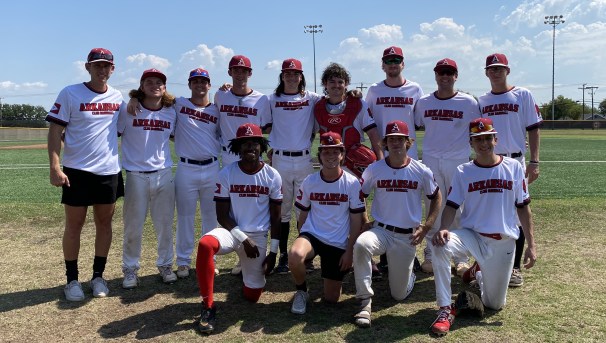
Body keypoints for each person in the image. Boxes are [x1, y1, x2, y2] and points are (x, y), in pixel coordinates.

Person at [429, 118, 537, 336]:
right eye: (478, 139)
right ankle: (444, 309)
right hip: (472, 236)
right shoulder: (463, 171)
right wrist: (444, 227)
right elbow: (451, 205)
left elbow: (524, 208)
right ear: (471, 143)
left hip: (503, 241)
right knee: (439, 246)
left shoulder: (514, 167)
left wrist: (532, 245)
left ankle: (477, 272)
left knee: (494, 305)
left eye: (488, 138)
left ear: (496, 139)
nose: (483, 143)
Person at [46, 48, 124, 301]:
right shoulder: (70, 92)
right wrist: (55, 167)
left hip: (108, 171)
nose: (102, 70)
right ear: (87, 67)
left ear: (112, 69)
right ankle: (71, 280)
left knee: (104, 224)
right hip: (77, 171)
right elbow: (55, 130)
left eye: (106, 66)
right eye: (97, 65)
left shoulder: (118, 96)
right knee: (74, 226)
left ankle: (98, 276)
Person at [352, 120, 442, 328]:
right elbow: (361, 195)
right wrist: (365, 220)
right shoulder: (375, 169)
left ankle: (408, 272)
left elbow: (436, 197)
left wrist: (426, 226)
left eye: (399, 139)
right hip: (381, 230)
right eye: (391, 139)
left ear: (408, 142)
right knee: (361, 244)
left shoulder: (421, 170)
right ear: (385, 142)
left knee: (398, 295)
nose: (395, 143)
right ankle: (365, 302)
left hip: (406, 236)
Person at [195, 123, 282, 334]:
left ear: (261, 146)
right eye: (244, 143)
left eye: (254, 143)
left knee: (252, 296)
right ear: (238, 148)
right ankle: (207, 306)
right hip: (232, 232)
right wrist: (243, 239)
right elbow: (221, 216)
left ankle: (247, 273)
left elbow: (276, 218)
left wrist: (272, 253)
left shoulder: (272, 175)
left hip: (258, 236)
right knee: (206, 244)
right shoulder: (227, 173)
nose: (249, 147)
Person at [478, 53, 542, 287]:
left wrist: (534, 161)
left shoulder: (522, 94)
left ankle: (514, 268)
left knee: (517, 212)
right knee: (488, 211)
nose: (496, 72)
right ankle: (484, 264)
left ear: (508, 70)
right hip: (489, 162)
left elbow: (534, 128)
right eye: (492, 69)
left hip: (515, 162)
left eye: (500, 68)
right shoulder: (482, 100)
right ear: (486, 73)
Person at [413, 58, 481, 275]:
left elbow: (479, 130)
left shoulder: (469, 102)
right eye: (441, 72)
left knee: (459, 210)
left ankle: (461, 258)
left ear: (456, 76)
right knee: (433, 207)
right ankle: (431, 253)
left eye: (449, 73)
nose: (445, 76)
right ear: (435, 75)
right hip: (431, 160)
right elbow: (417, 124)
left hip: (458, 161)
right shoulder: (424, 102)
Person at [288, 132, 365, 315]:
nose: (330, 156)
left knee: (331, 299)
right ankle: (301, 291)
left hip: (337, 241)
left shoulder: (352, 183)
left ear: (342, 154)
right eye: (326, 152)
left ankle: (332, 272)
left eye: (335, 152)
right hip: (312, 235)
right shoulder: (310, 181)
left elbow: (356, 221)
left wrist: (349, 251)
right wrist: (302, 239)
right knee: (295, 255)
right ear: (320, 155)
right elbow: (302, 215)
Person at [365, 45, 424, 274]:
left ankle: (410, 253)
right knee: (385, 203)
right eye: (388, 60)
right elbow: (365, 115)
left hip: (409, 155)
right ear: (382, 65)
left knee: (409, 204)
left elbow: (421, 120)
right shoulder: (373, 90)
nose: (392, 64)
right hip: (383, 156)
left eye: (396, 60)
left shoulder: (415, 89)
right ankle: (387, 255)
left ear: (403, 63)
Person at [119, 69, 177, 288]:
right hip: (136, 175)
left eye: (159, 82)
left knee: (164, 224)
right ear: (141, 86)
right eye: (149, 82)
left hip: (163, 174)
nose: (155, 85)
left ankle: (165, 265)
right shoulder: (128, 110)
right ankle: (130, 269)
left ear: (164, 87)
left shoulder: (172, 111)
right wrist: (133, 99)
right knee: (133, 227)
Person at [215, 54, 272, 275]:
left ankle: (248, 256)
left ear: (250, 73)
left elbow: (266, 128)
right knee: (231, 210)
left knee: (251, 208)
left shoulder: (261, 99)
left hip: (252, 160)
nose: (240, 74)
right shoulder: (221, 95)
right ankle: (237, 252)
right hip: (229, 160)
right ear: (229, 73)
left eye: (244, 70)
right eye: (235, 70)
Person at [266, 58, 321, 274]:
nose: (291, 76)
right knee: (282, 210)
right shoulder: (271, 99)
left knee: (305, 210)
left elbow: (337, 98)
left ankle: (305, 256)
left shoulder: (312, 98)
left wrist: (353, 94)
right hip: (280, 159)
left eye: (295, 73)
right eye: (287, 73)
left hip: (304, 159)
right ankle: (282, 257)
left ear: (301, 76)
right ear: (282, 76)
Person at [173, 68, 221, 278]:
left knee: (211, 217)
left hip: (211, 167)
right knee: (185, 217)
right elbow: (153, 97)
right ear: (190, 84)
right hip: (186, 167)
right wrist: (134, 99)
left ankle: (210, 258)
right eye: (196, 81)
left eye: (204, 81)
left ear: (209, 85)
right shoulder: (179, 104)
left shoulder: (217, 109)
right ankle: (183, 261)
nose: (200, 85)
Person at [314, 62, 384, 165]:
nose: (336, 85)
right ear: (325, 83)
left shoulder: (358, 104)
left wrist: (381, 161)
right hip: (328, 163)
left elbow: (373, 134)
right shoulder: (318, 107)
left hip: (354, 165)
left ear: (346, 84)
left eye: (340, 82)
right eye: (332, 82)